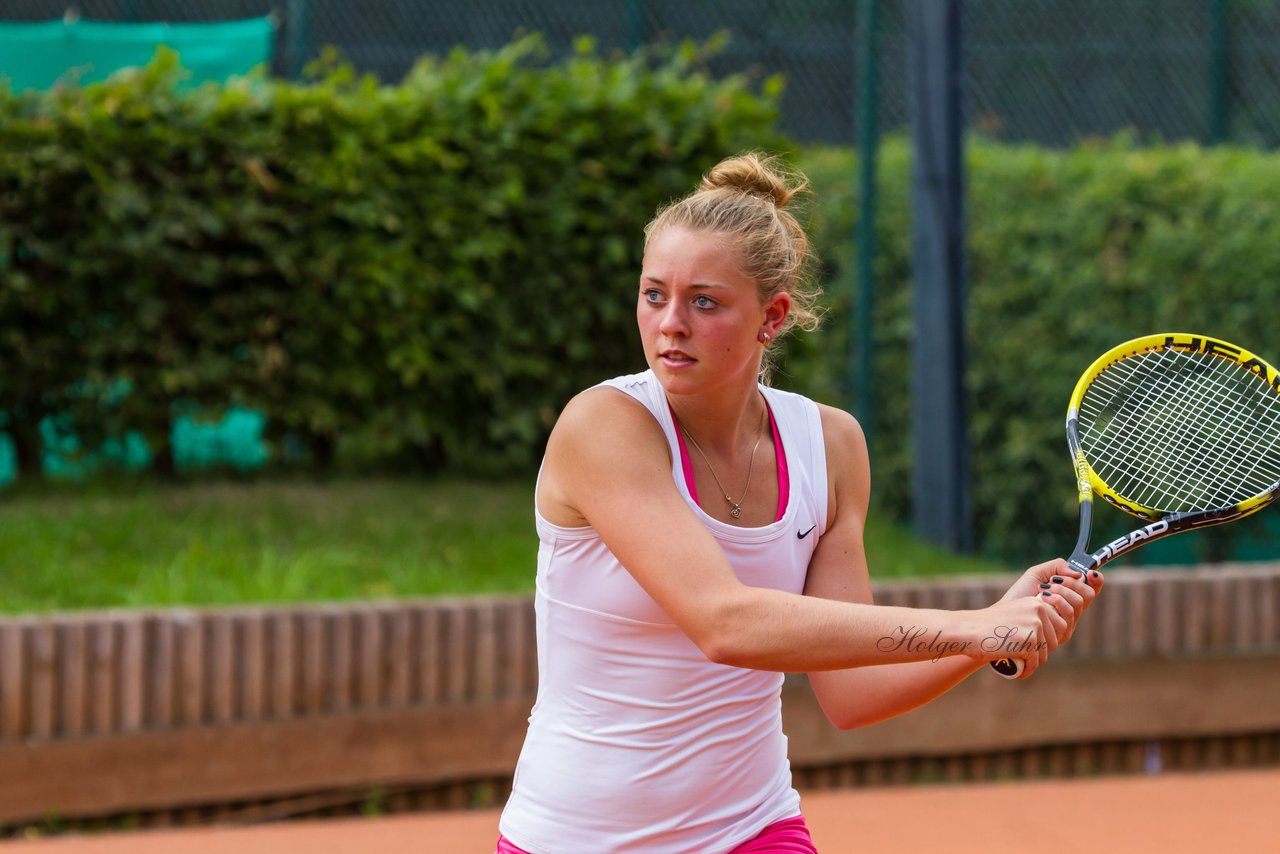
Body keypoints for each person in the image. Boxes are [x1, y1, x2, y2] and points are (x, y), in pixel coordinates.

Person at [495, 153, 1103, 854]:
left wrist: (993, 629)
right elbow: (724, 623)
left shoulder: (830, 445)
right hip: (575, 840)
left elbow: (853, 695)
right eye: (653, 294)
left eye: (704, 301)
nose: (670, 324)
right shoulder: (604, 427)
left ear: (772, 317)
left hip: (752, 830)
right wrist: (974, 628)